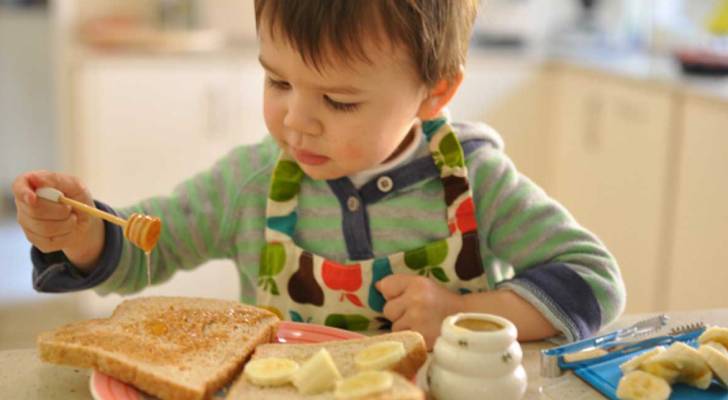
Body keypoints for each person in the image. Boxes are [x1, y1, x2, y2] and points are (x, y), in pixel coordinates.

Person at [12, 0, 625, 348]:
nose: (296, 122)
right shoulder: (253, 180)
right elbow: (149, 245)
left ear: (434, 92)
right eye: (278, 81)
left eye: (339, 101)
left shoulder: (472, 182)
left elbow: (593, 281)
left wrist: (466, 311)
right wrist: (78, 235)